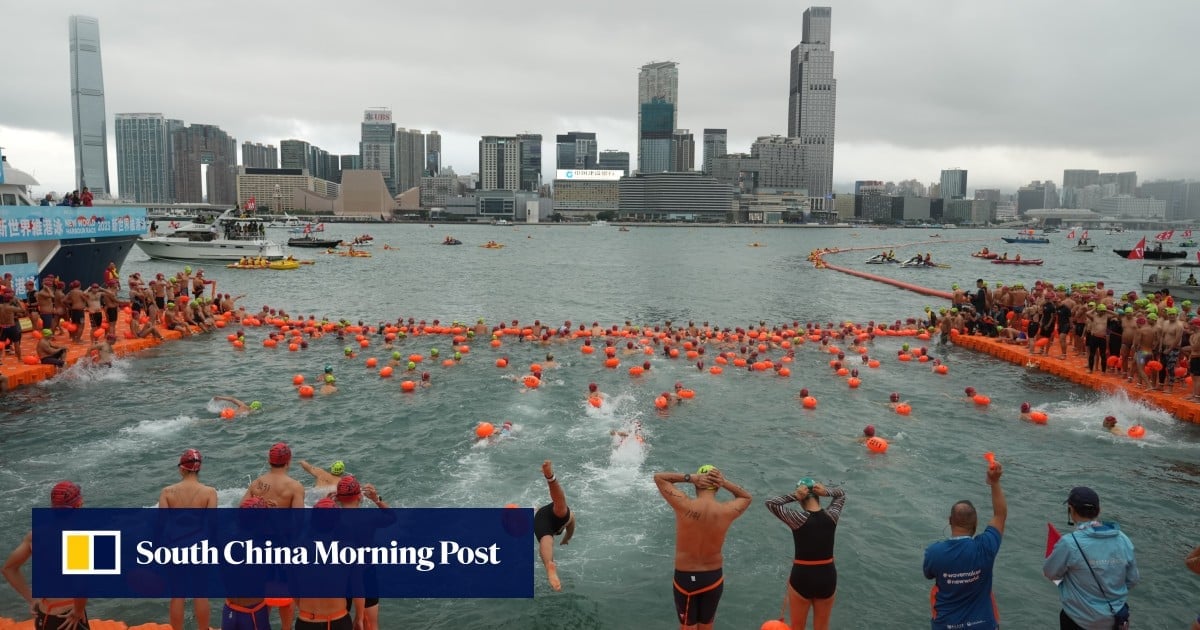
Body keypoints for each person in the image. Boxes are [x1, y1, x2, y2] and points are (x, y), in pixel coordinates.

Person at [654, 465, 752, 630]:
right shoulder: (726, 511)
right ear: (717, 488)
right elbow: (746, 497)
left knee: (688, 627)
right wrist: (725, 482)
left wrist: (690, 477)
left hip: (686, 580)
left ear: (697, 484)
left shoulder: (684, 505)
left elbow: (659, 478)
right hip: (713, 579)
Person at [923, 459, 1006, 630]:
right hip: (983, 625)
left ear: (949, 521)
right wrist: (995, 482)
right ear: (976, 524)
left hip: (946, 625)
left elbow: (929, 574)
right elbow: (1000, 515)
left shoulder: (934, 552)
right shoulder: (986, 547)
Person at [1043, 487, 1139, 630]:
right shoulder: (1123, 539)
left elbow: (1050, 573)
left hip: (1079, 620)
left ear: (1071, 510)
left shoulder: (1069, 543)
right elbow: (1133, 580)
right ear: (1098, 511)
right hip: (1117, 620)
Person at [2, 481, 89, 630]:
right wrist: (78, 611)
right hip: (67, 618)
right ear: (79, 505)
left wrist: (31, 599)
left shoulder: (35, 535)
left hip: (43, 615)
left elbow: (8, 569)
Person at [765, 478, 846, 630]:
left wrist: (794, 496)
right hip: (827, 577)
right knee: (822, 627)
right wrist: (827, 491)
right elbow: (841, 494)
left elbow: (771, 503)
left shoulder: (798, 519)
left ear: (801, 500)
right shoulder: (832, 516)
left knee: (797, 627)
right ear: (818, 496)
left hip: (802, 577)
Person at [159, 449, 218, 630]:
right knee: (201, 594)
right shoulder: (209, 492)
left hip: (175, 546)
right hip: (199, 547)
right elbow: (212, 526)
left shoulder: (167, 492)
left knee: (177, 595)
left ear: (181, 469)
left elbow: (162, 526)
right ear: (198, 469)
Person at [534, 461, 575, 592]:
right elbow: (571, 526)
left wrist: (567, 537)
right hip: (545, 516)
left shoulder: (568, 517)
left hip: (541, 516)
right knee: (560, 505)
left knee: (546, 540)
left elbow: (570, 525)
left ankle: (549, 567)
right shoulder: (569, 519)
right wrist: (566, 539)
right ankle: (550, 478)